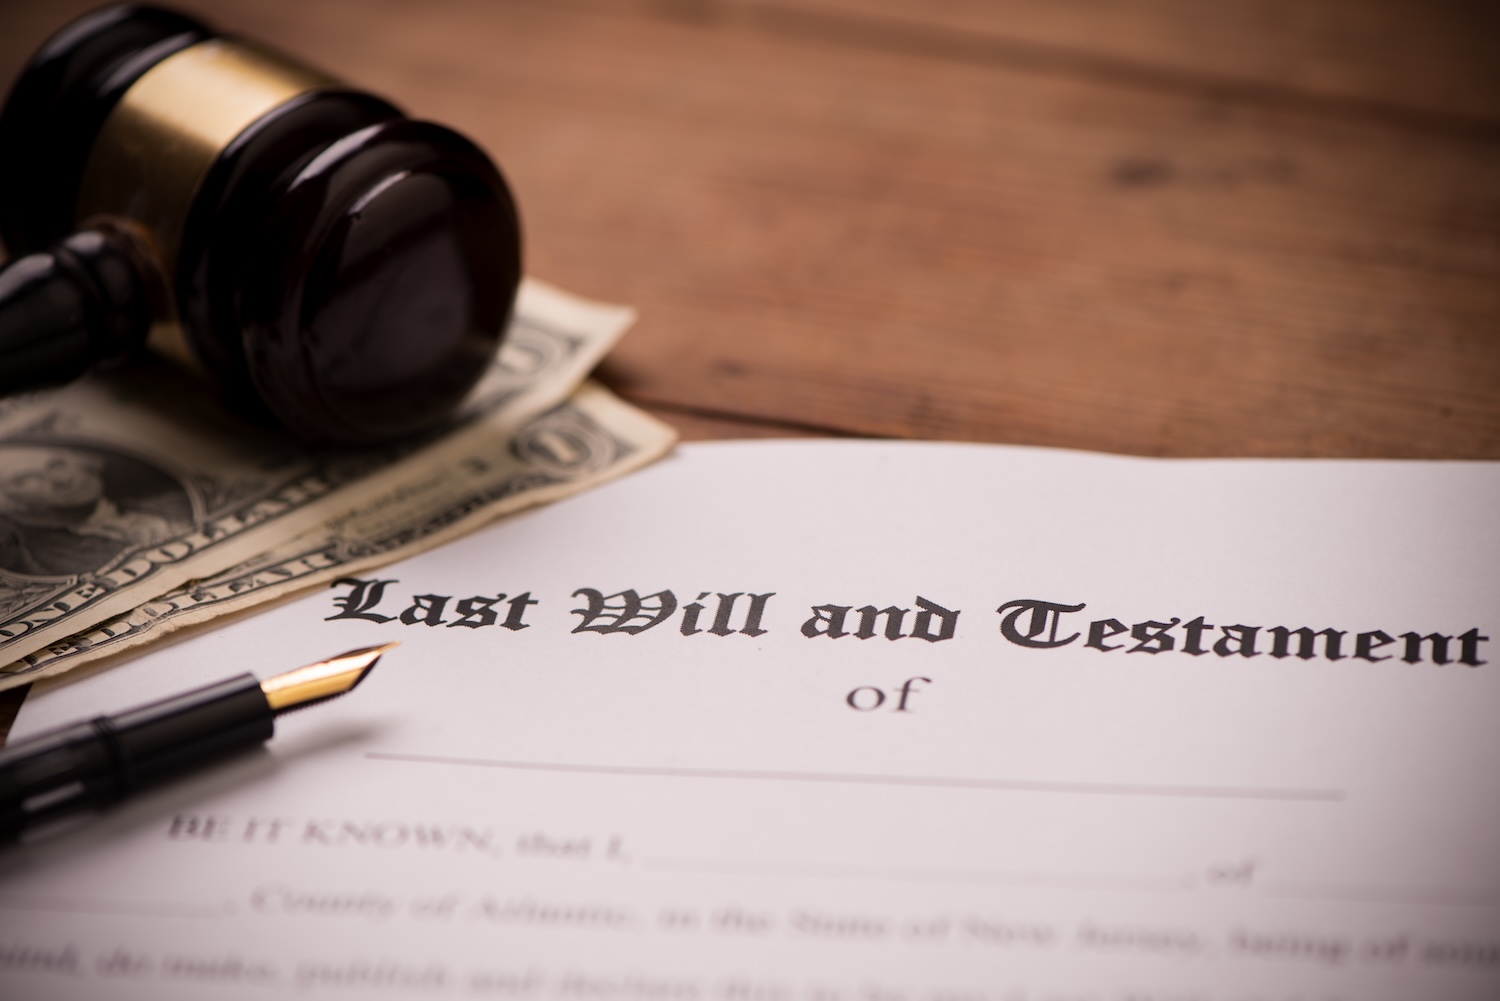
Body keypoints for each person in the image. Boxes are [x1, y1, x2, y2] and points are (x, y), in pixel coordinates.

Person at [0, 444, 187, 577]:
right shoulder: (39, 560)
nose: (62, 480)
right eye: (25, 479)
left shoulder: (172, 501)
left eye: (57, 464)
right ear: (9, 502)